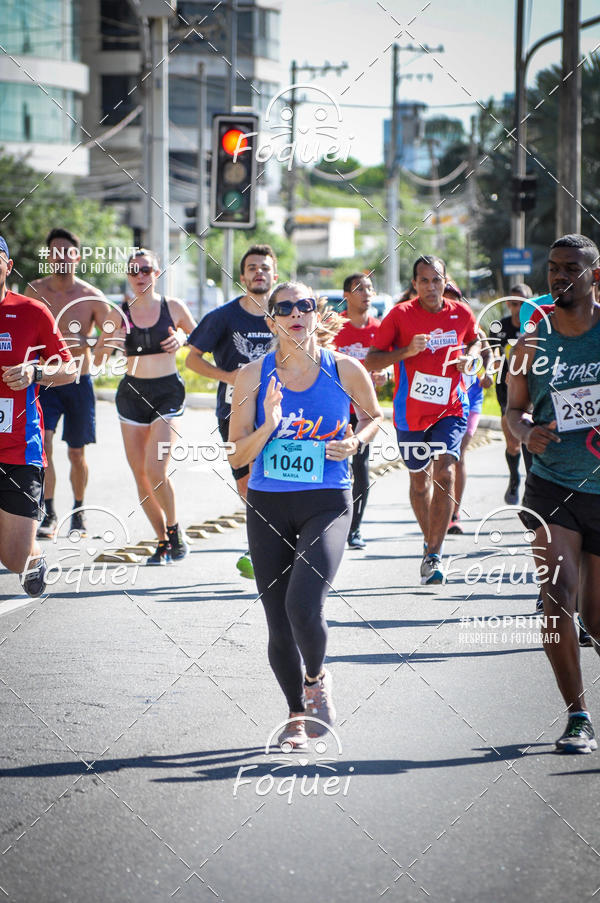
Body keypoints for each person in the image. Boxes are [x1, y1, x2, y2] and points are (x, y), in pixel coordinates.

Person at [228, 281, 382, 749]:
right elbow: (236, 453)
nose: (297, 313)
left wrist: (356, 440)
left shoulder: (346, 369)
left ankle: (315, 680)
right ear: (271, 319)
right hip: (269, 502)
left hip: (327, 501)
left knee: (302, 604)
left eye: (306, 306)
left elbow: (374, 417)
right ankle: (296, 714)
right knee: (278, 620)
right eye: (286, 307)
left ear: (317, 314)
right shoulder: (251, 377)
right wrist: (270, 426)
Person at [507, 233, 600, 754]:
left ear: (593, 274)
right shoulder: (532, 343)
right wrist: (526, 432)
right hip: (554, 484)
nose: (559, 276)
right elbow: (514, 409)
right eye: (552, 268)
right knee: (555, 598)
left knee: (596, 616)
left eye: (571, 268)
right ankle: (578, 716)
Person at [365, 255, 480, 584]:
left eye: (437, 279)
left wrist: (469, 359)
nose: (431, 286)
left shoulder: (461, 313)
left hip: (451, 408)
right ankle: (430, 540)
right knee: (420, 482)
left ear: (446, 281)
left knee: (444, 472)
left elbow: (475, 341)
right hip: (411, 414)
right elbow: (372, 360)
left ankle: (434, 553)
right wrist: (405, 352)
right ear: (415, 284)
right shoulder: (400, 316)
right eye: (424, 280)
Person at [97, 249, 196, 565]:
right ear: (128, 275)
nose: (140, 276)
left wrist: (181, 337)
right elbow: (100, 357)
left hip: (167, 392)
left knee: (156, 470)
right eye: (134, 271)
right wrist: (108, 342)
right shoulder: (119, 313)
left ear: (158, 273)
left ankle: (174, 528)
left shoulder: (174, 307)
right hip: (131, 394)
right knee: (140, 476)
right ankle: (163, 542)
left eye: (146, 270)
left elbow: (201, 340)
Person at [185, 245, 277, 578]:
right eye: (252, 267)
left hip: (276, 412)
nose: (259, 272)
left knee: (276, 476)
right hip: (232, 409)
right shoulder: (223, 316)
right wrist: (229, 377)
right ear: (242, 276)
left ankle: (262, 546)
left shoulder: (284, 315)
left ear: (274, 275)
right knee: (246, 482)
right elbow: (192, 359)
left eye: (265, 267)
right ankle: (264, 542)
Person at [0, 236, 74, 595]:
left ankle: (32, 557)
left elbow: (70, 370)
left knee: (13, 558)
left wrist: (36, 373)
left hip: (19, 450)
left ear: (8, 266)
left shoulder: (32, 311)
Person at [25, 228, 110, 539]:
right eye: (54, 251)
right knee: (43, 445)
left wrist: (97, 350)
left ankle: (79, 511)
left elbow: (113, 331)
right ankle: (48, 512)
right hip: (45, 381)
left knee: (77, 453)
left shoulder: (91, 296)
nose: (60, 256)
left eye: (66, 251)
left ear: (77, 256)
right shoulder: (34, 291)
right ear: (48, 256)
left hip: (78, 381)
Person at [333, 272, 388, 549]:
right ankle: (330, 522)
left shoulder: (379, 328)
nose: (366, 293)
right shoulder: (335, 328)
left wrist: (384, 375)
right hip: (336, 408)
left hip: (364, 410)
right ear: (346, 296)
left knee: (361, 466)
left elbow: (388, 364)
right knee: (334, 463)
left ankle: (354, 528)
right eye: (358, 289)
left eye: (369, 288)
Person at [492, 283, 533, 505]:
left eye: (521, 304)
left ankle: (532, 485)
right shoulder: (500, 327)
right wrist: (496, 362)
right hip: (506, 388)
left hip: (534, 388)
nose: (516, 308)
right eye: (512, 303)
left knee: (530, 439)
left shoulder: (537, 327)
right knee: (512, 442)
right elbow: (494, 354)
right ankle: (514, 477)